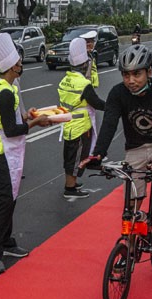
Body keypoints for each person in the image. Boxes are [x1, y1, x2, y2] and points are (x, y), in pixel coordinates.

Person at [82, 45, 152, 239]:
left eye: (137, 74)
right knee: (131, 208)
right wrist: (98, 154)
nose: (131, 80)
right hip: (135, 148)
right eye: (126, 75)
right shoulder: (117, 93)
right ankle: (130, 247)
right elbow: (109, 124)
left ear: (149, 71)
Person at [0, 32, 50, 273]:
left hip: (2, 147)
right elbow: (11, 130)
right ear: (11, 67)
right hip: (2, 149)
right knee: (4, 200)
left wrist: (27, 115)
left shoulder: (2, 87)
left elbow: (7, 118)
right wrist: (35, 122)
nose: (21, 64)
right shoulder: (6, 93)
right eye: (19, 62)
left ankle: (6, 242)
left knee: (10, 197)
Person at [57, 38, 105, 200]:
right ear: (84, 65)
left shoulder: (66, 80)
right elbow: (97, 103)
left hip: (68, 124)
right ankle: (70, 187)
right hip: (80, 127)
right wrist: (112, 106)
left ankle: (72, 183)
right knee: (77, 157)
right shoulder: (83, 84)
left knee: (69, 156)